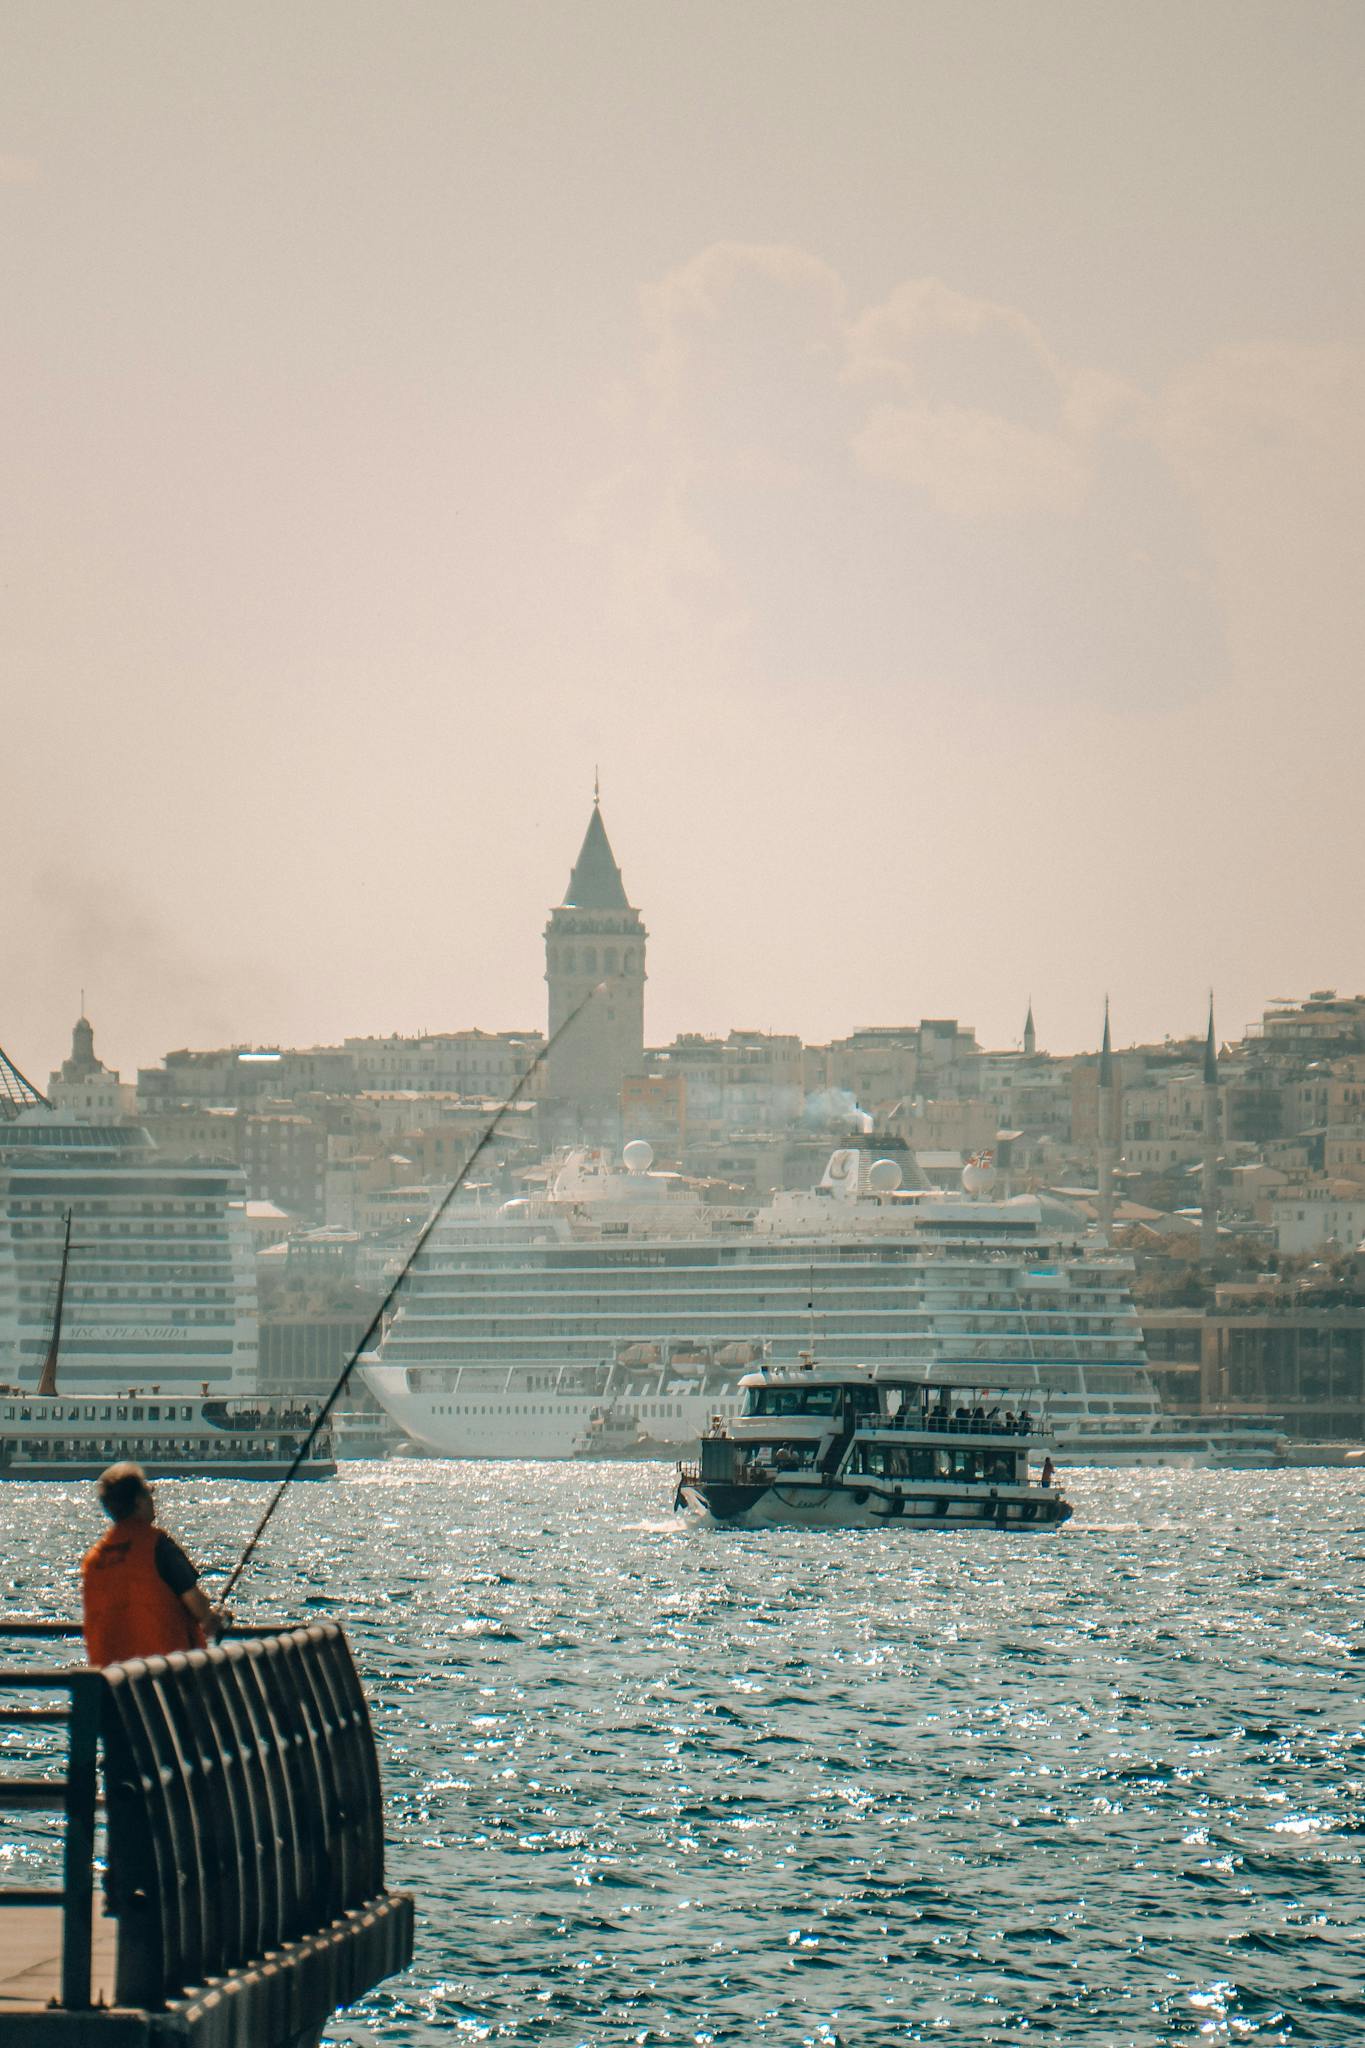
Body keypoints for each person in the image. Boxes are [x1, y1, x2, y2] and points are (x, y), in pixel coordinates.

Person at [82, 1462, 229, 1667]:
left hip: (110, 1684)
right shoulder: (157, 1546)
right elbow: (198, 1605)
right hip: (167, 1677)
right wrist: (216, 1617)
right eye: (149, 1494)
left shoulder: (94, 1560)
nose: (153, 1501)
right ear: (139, 1502)